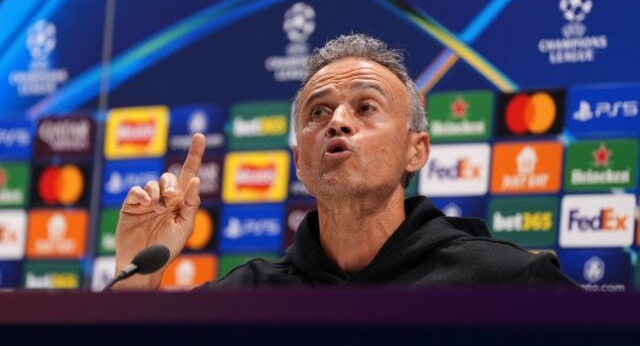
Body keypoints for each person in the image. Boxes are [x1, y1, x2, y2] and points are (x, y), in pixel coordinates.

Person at [114, 34, 577, 289]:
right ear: (300, 162)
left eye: (366, 107)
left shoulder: (508, 283)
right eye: (318, 112)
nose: (337, 122)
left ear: (416, 150)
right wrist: (136, 276)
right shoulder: (244, 297)